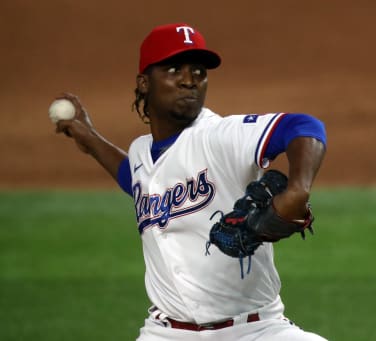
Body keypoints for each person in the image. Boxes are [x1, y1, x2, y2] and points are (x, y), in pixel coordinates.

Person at [56, 23, 328, 341]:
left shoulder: (218, 135)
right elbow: (139, 179)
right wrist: (89, 139)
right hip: (164, 333)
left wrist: (298, 189)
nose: (189, 81)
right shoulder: (142, 151)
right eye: (174, 69)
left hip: (256, 330)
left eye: (198, 72)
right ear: (144, 83)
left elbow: (304, 126)